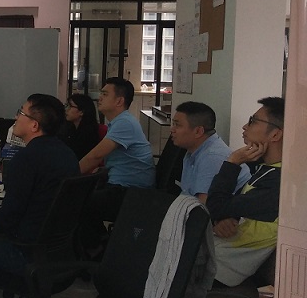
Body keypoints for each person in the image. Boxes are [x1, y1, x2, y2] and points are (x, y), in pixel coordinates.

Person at [0, 94, 79, 281]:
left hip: (24, 254)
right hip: (56, 253)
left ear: (34, 125)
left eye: (21, 113)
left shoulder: (26, 159)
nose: (16, 117)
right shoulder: (67, 154)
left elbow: (8, 219)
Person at [207, 97, 284, 287]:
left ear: (275, 135)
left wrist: (233, 162)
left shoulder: (279, 182)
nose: (244, 126)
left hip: (222, 268)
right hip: (216, 254)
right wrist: (221, 219)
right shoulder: (265, 168)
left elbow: (215, 205)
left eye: (252, 121)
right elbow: (226, 207)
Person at [79, 78, 155, 252]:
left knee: (77, 202)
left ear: (119, 101)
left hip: (131, 192)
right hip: (123, 186)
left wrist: (68, 174)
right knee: (82, 195)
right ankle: (99, 246)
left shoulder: (124, 123)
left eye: (105, 94)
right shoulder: (118, 121)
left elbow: (95, 156)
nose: (100, 98)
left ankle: (98, 250)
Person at [170, 101, 250, 203]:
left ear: (198, 131)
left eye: (177, 125)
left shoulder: (213, 157)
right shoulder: (193, 150)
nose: (172, 129)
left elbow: (204, 207)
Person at [59, 93, 102, 160]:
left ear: (81, 112)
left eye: (70, 106)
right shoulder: (67, 129)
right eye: (66, 105)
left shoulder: (89, 134)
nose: (66, 109)